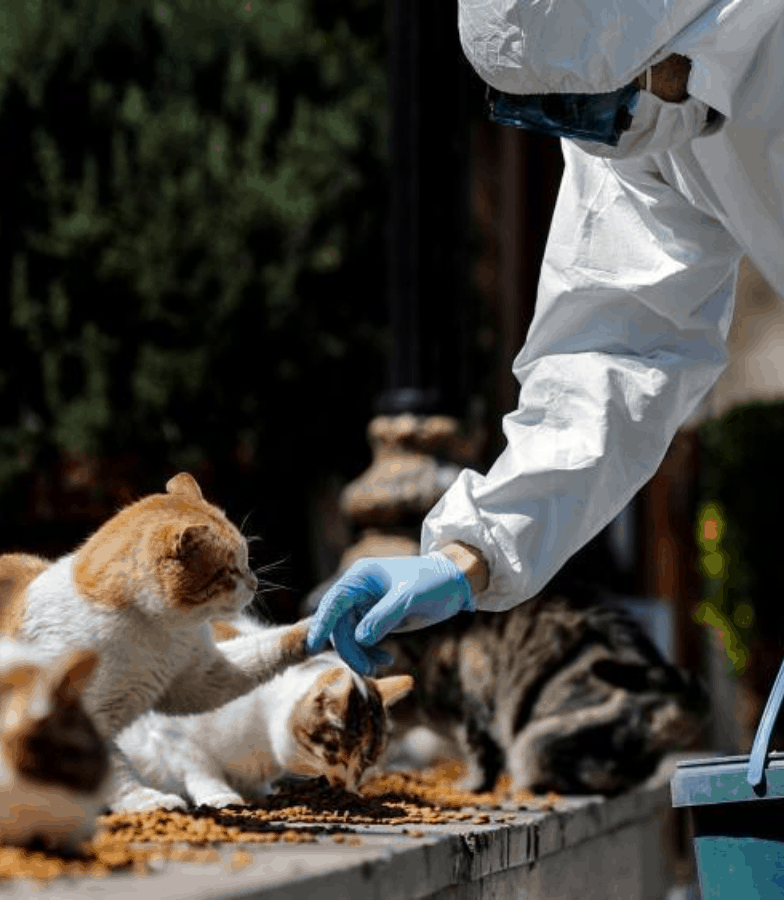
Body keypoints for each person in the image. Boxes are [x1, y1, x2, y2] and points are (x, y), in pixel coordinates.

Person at [307, 0, 784, 674]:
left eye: (590, 105)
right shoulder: (645, 118)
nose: (593, 135)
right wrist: (467, 555)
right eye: (546, 111)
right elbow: (614, 353)